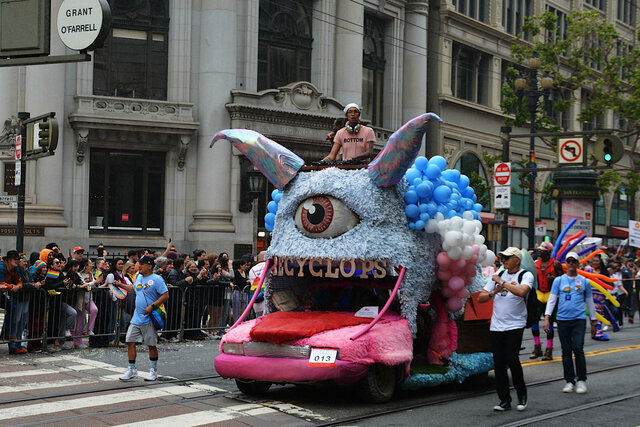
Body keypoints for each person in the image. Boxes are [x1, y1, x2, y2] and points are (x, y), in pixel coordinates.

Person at [478, 247, 533, 412]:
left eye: (507, 258)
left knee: (512, 359)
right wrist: (493, 291)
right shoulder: (499, 275)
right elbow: (481, 297)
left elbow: (522, 292)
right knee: (499, 363)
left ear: (517, 259)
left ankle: (521, 395)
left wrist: (502, 283)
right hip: (497, 325)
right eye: (502, 258)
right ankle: (504, 400)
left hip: (515, 324)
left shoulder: (525, 275)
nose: (503, 261)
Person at [544, 252, 597, 394]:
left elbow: (590, 302)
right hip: (562, 320)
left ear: (578, 264)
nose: (571, 263)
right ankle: (569, 380)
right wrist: (547, 317)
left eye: (574, 261)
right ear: (566, 263)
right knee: (566, 350)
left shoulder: (584, 281)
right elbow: (552, 299)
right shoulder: (559, 281)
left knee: (577, 348)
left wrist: (593, 321)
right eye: (569, 261)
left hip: (578, 319)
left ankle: (581, 380)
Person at [118, 256, 169, 381]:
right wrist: (120, 285)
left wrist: (152, 306)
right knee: (130, 341)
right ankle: (131, 369)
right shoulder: (138, 277)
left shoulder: (157, 279)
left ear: (150, 266)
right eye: (138, 263)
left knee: (151, 345)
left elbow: (165, 295)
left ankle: (153, 370)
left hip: (149, 318)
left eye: (142, 264)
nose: (139, 266)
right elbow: (134, 290)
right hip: (137, 317)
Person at [531, 241, 563, 360]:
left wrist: (554, 279)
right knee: (534, 320)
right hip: (539, 294)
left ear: (549, 252)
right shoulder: (535, 264)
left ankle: (549, 349)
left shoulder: (555, 264)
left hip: (551, 295)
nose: (540, 252)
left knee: (549, 322)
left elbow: (562, 279)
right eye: (539, 250)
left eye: (542, 251)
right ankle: (537, 346)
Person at [1, 250, 26, 354]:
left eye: (18, 259)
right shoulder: (2, 267)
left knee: (12, 307)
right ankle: (6, 332)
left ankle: (6, 332)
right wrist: (12, 287)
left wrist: (17, 286)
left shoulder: (14, 269)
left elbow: (19, 282)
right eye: (15, 259)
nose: (17, 261)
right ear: (9, 259)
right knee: (12, 306)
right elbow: (1, 283)